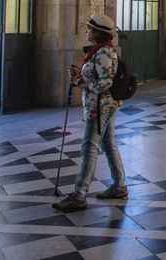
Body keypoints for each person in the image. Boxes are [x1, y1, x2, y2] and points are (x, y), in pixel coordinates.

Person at [53, 15, 127, 213]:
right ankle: (119, 185)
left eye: (90, 29)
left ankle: (79, 194)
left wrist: (81, 82)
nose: (87, 31)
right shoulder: (98, 52)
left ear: (97, 33)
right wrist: (81, 75)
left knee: (89, 148)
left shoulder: (103, 53)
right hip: (102, 106)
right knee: (109, 144)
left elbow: (105, 82)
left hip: (100, 108)